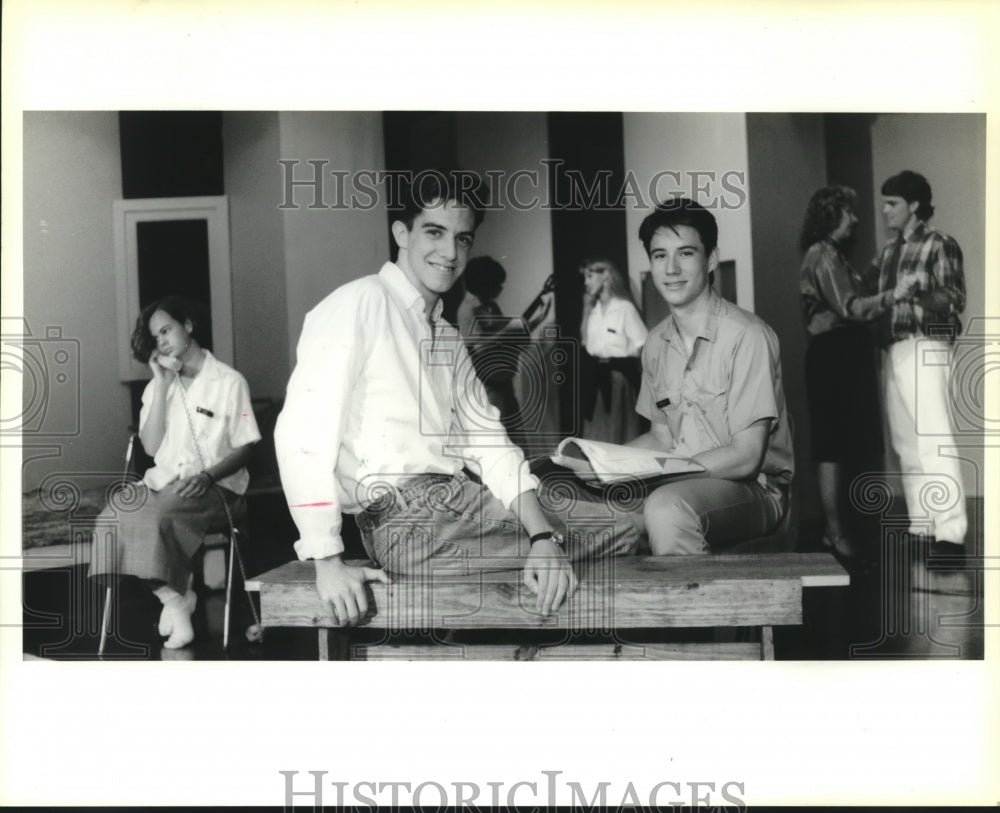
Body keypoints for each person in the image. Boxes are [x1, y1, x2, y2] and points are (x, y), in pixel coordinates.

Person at [273, 170, 638, 626]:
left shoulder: (445, 334)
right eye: (434, 232)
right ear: (401, 233)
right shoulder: (357, 303)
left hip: (454, 506)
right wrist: (325, 559)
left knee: (607, 531)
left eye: (462, 239)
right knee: (626, 530)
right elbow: (302, 433)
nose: (449, 253)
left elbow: (490, 444)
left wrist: (544, 536)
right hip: (410, 522)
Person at [89, 297, 260, 649]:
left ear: (189, 326)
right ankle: (177, 600)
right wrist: (163, 383)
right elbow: (150, 448)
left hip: (218, 487)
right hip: (164, 481)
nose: (162, 341)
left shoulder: (229, 382)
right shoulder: (158, 387)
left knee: (164, 512)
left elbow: (246, 447)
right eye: (156, 337)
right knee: (113, 515)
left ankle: (178, 602)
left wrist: (209, 476)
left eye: (166, 330)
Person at [628, 198, 794, 555]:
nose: (671, 268)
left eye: (685, 253)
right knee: (593, 509)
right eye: (659, 255)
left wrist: (663, 474)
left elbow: (747, 456)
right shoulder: (655, 343)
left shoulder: (747, 335)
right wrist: (588, 467)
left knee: (665, 507)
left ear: (711, 259)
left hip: (754, 489)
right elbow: (660, 439)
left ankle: (688, 610)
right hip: (681, 481)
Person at [799, 185, 916, 561]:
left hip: (844, 353)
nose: (856, 218)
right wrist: (895, 295)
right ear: (833, 215)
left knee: (844, 444)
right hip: (833, 355)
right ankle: (834, 533)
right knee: (832, 446)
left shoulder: (833, 256)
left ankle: (842, 531)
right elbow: (850, 306)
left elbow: (855, 291)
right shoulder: (821, 255)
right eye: (849, 212)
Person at [867, 170, 967, 557]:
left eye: (892, 203)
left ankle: (950, 533)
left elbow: (954, 297)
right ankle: (922, 525)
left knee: (933, 440)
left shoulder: (941, 244)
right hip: (895, 349)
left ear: (914, 206)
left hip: (927, 346)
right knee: (906, 443)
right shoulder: (889, 251)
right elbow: (865, 293)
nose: (885, 210)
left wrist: (916, 291)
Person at [451, 255, 553, 439]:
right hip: (487, 386)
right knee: (497, 438)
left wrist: (539, 318)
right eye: (496, 284)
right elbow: (477, 348)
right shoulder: (467, 309)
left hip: (503, 382)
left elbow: (510, 336)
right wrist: (510, 329)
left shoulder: (490, 306)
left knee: (516, 437)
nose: (500, 289)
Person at [579, 257, 648, 444]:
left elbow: (643, 345)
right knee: (597, 435)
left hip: (619, 381)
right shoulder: (593, 311)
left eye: (590, 276)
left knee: (620, 436)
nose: (586, 282)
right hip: (595, 381)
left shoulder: (625, 308)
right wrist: (586, 311)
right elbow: (586, 343)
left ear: (606, 275)